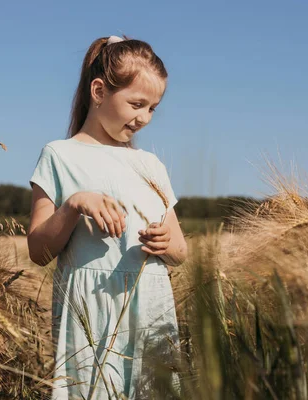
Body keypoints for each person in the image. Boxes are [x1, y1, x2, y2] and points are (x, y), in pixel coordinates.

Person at [27, 34, 188, 400]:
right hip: (89, 310)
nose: (144, 118)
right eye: (137, 104)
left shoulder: (150, 165)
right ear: (99, 91)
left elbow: (180, 251)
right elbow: (38, 251)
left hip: (149, 305)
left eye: (153, 108)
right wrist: (73, 205)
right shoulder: (59, 155)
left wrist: (167, 243)